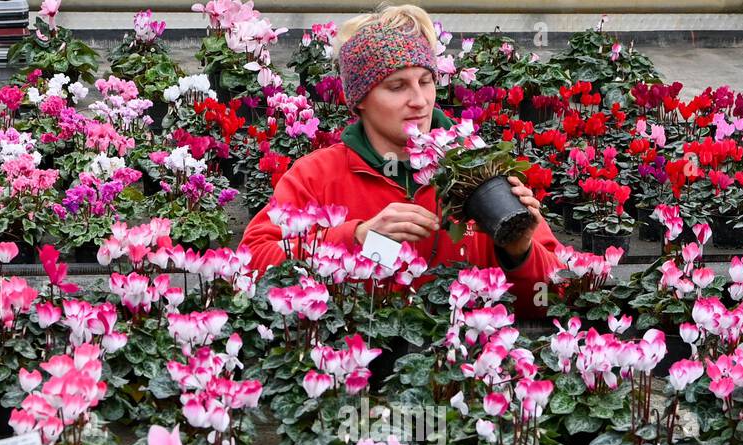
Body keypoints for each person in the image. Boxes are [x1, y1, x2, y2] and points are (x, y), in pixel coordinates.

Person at [238, 4, 564, 319]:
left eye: (426, 81)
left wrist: (519, 252)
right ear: (360, 100)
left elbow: (557, 295)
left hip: (465, 366)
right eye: (397, 86)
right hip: (356, 363)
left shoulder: (481, 172)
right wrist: (357, 238)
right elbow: (250, 265)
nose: (419, 101)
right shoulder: (316, 176)